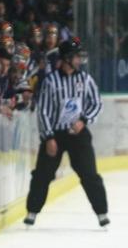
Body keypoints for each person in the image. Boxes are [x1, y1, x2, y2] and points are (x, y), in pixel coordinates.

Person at [24, 37, 109, 228]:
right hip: (55, 134)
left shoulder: (85, 79)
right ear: (67, 58)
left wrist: (84, 120)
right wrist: (48, 137)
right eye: (77, 56)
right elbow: (43, 111)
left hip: (78, 135)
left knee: (89, 174)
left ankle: (101, 212)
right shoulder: (51, 81)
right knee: (42, 175)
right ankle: (32, 211)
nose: (80, 60)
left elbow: (97, 103)